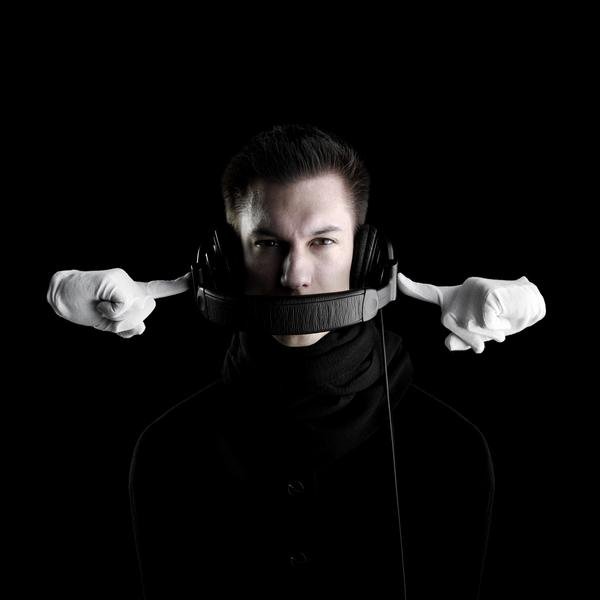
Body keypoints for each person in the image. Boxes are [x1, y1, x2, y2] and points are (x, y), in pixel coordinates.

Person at [126, 124, 493, 599]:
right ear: (229, 260)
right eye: (268, 243)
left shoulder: (453, 450)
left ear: (365, 258)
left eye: (322, 241)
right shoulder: (167, 452)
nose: (293, 276)